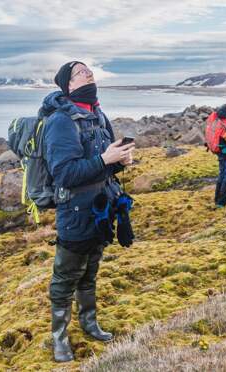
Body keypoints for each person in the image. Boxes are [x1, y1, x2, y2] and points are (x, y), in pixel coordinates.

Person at [41, 61, 135, 362]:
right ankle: (59, 337)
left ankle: (89, 322)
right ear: (67, 85)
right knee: (65, 277)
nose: (88, 73)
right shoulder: (60, 120)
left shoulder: (97, 114)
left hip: (101, 207)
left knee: (90, 270)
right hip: (74, 212)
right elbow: (65, 174)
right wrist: (106, 160)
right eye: (80, 72)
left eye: (89, 70)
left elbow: (102, 162)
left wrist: (120, 160)